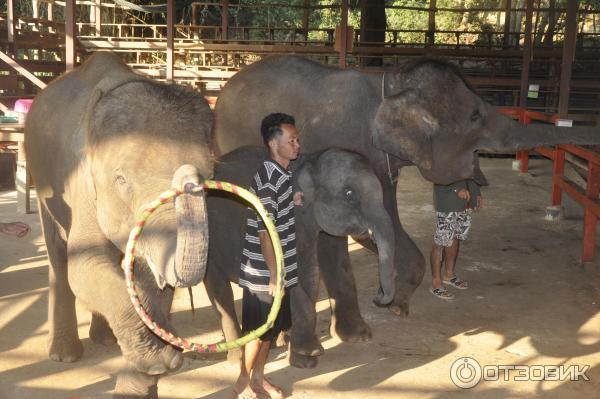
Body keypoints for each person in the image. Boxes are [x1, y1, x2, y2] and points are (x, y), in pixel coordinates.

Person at [232, 113, 302, 399]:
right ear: (274, 144)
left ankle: (259, 378)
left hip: (278, 270)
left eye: (298, 139)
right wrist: (274, 275)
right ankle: (242, 384)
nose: (298, 145)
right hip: (264, 273)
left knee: (269, 332)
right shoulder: (269, 177)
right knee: (257, 331)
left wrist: (292, 199)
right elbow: (264, 232)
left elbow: (275, 212)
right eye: (292, 140)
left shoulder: (282, 173)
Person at [430, 180, 482, 300]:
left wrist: (476, 193)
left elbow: (470, 172)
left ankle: (449, 275)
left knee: (455, 237)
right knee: (441, 241)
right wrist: (456, 189)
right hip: (448, 201)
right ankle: (436, 283)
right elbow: (436, 173)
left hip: (464, 203)